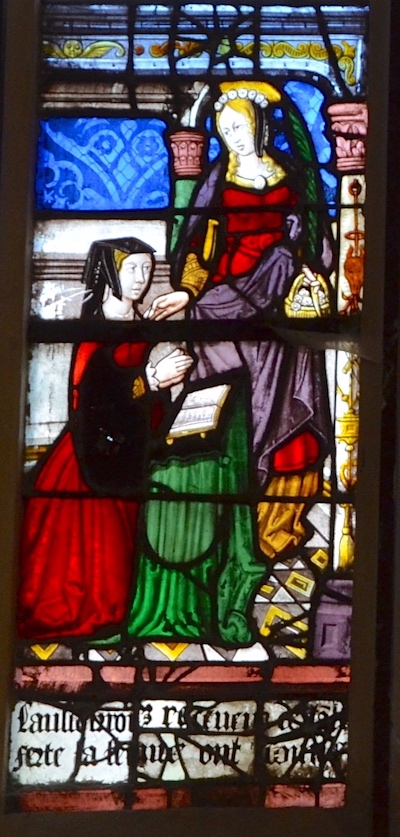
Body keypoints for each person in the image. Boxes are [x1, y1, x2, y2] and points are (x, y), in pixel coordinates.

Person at [144, 80, 333, 560]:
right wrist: (187, 292)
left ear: (260, 127)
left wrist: (304, 268)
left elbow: (314, 239)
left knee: (289, 411)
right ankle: (225, 522)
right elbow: (199, 247)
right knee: (226, 408)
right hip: (224, 303)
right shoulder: (216, 181)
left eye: (241, 126)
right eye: (226, 130)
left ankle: (274, 526)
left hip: (281, 302)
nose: (235, 137)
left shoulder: (293, 177)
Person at [17, 237, 193, 640]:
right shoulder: (95, 327)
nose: (141, 278)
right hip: (89, 456)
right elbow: (93, 396)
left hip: (129, 445)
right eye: (132, 269)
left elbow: (134, 389)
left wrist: (163, 388)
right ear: (111, 273)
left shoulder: (141, 322)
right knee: (93, 560)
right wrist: (149, 381)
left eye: (148, 269)